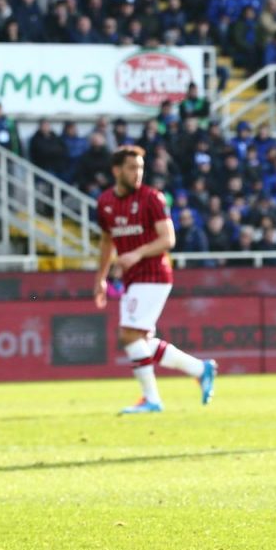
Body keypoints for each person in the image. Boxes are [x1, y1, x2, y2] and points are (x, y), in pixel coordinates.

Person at [94, 145, 217, 413]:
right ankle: (200, 368)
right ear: (116, 170)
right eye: (131, 167)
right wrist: (100, 278)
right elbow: (106, 242)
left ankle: (152, 399)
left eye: (140, 167)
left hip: (154, 274)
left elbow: (167, 239)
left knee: (128, 334)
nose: (137, 173)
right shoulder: (105, 203)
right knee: (140, 339)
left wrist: (136, 253)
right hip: (131, 278)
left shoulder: (152, 198)